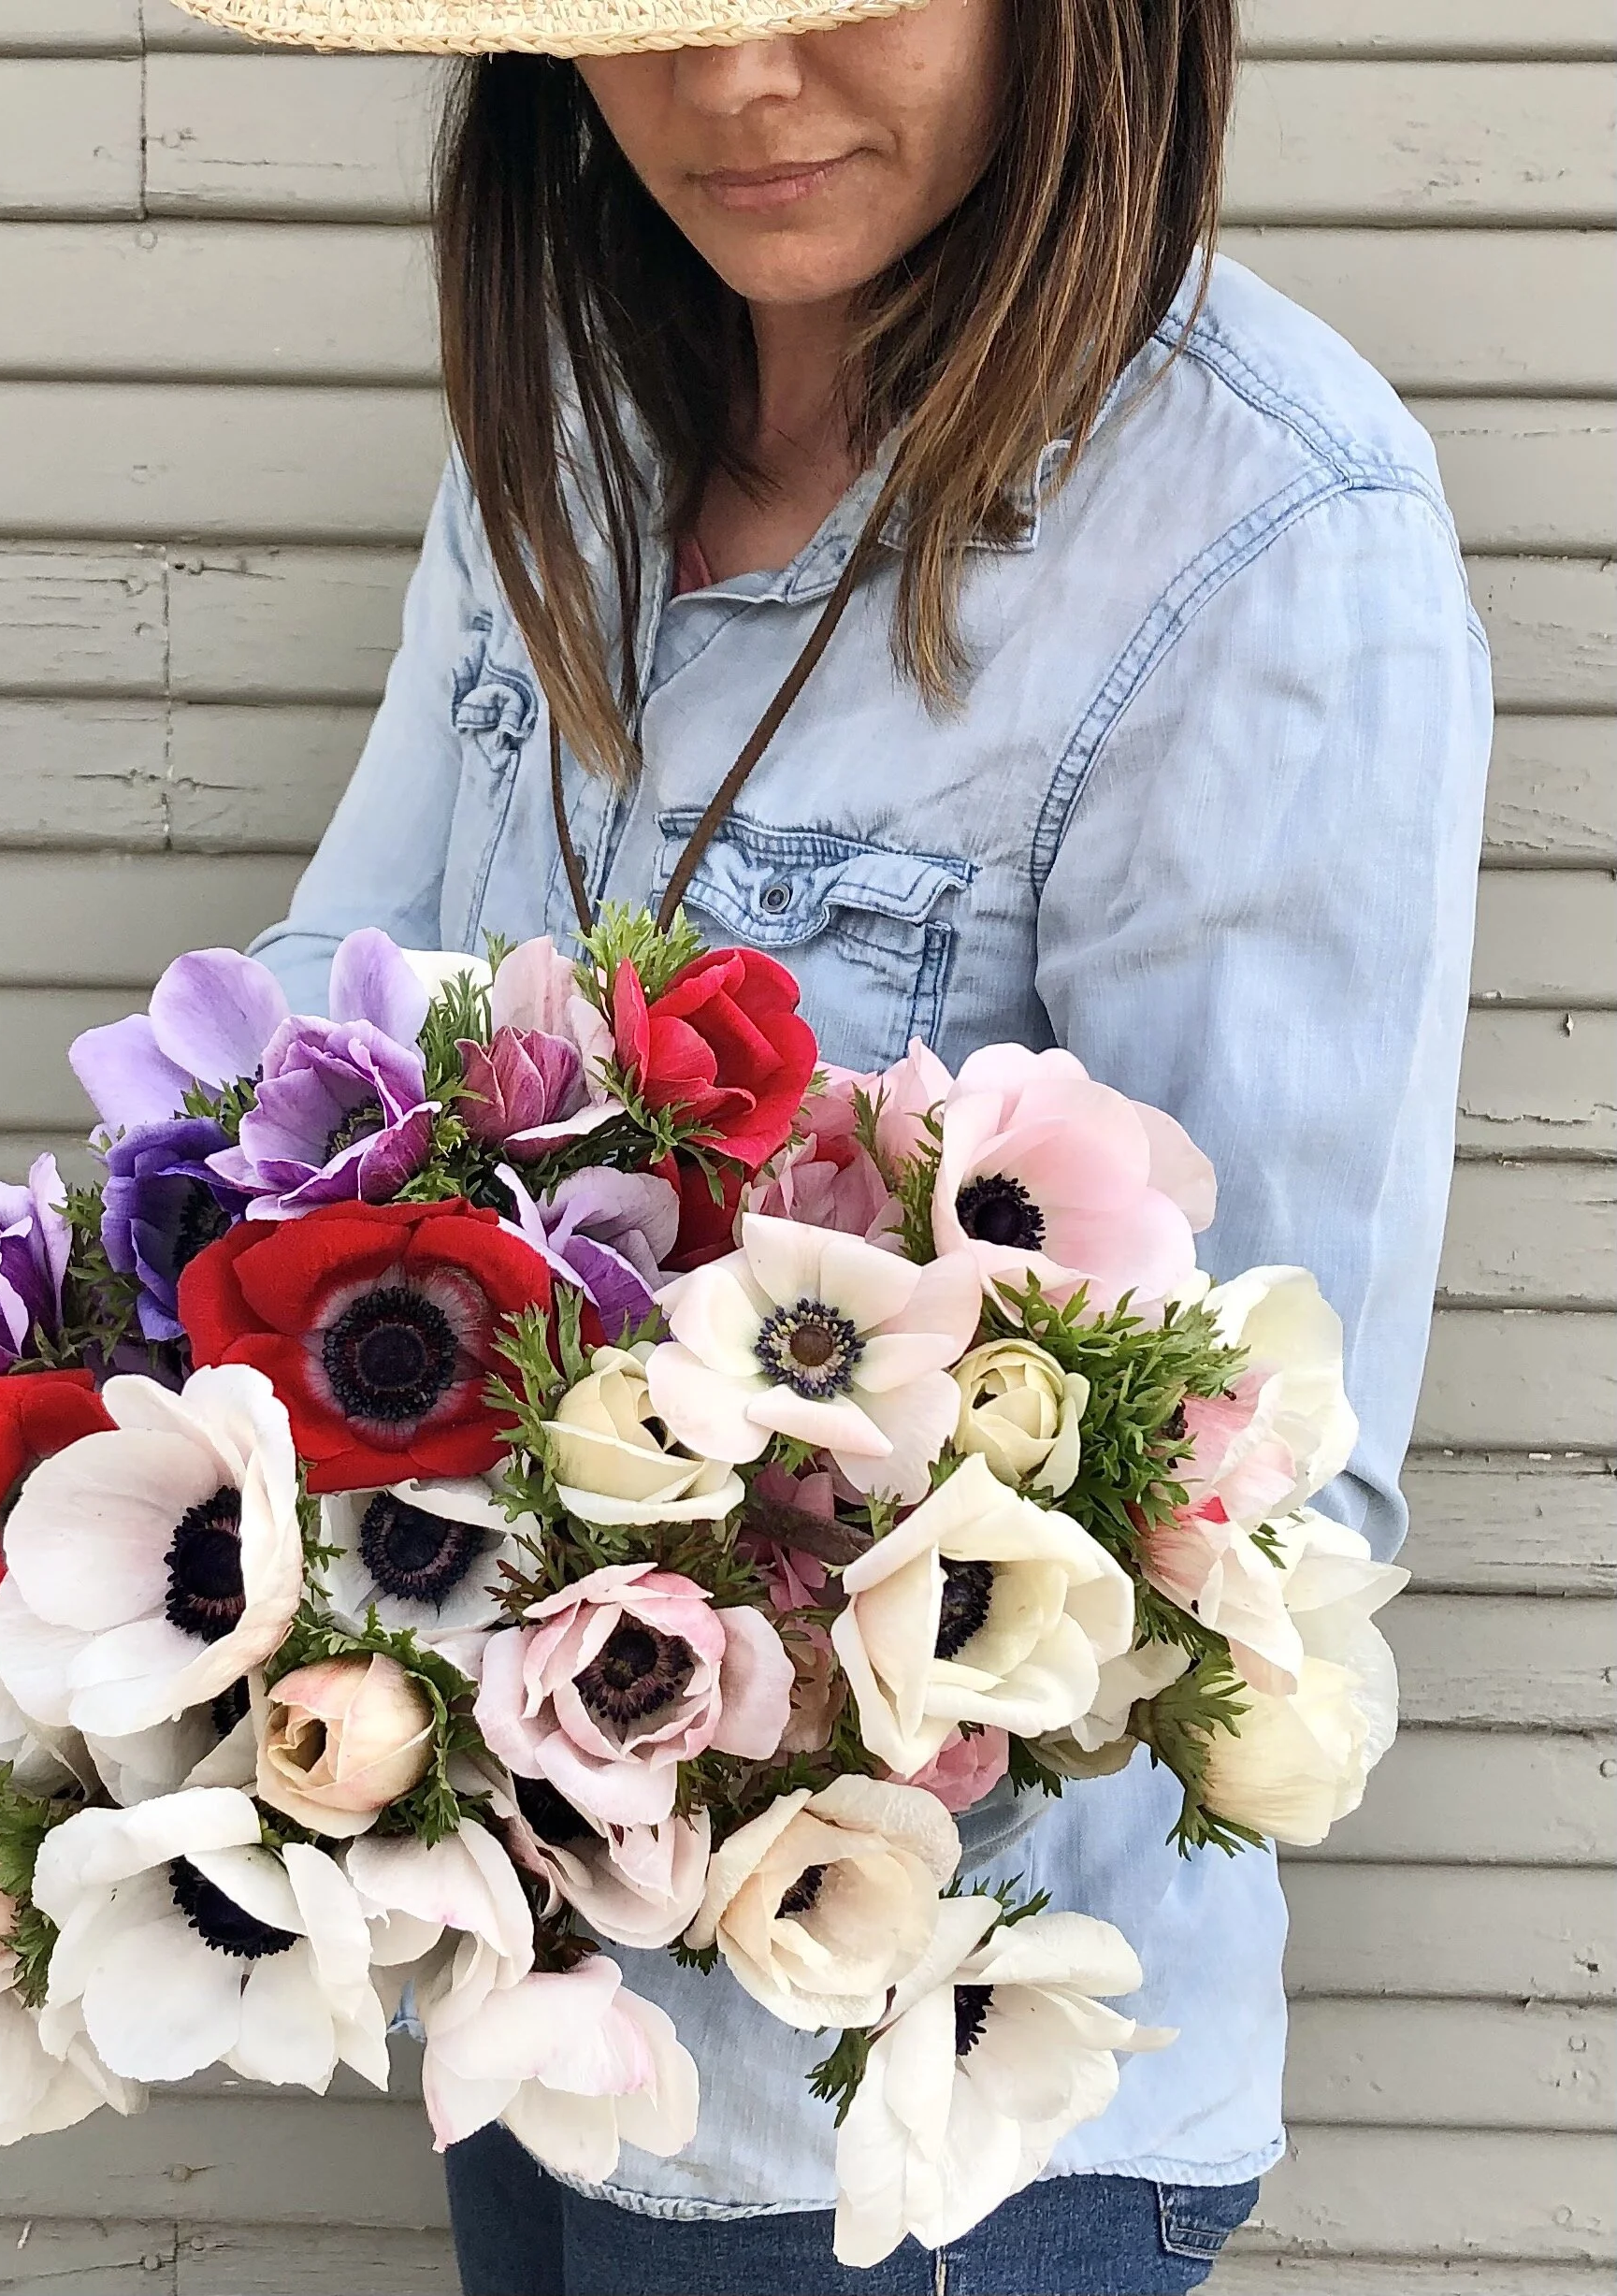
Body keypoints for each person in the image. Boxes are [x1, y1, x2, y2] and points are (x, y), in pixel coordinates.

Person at [173, 0, 1493, 2284]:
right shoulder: (581, 428)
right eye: (640, 8)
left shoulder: (1265, 540)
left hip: (922, 2122)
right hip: (534, 2000)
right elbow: (332, 1017)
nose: (738, 86)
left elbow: (1261, 1477)